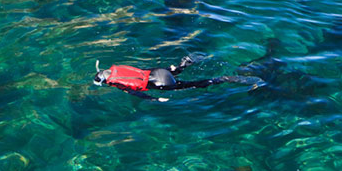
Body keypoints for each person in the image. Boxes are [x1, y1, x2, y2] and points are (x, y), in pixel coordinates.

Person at [92, 55, 259, 101]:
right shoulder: (118, 69)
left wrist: (154, 100)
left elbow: (136, 93)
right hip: (157, 72)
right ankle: (185, 63)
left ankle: (221, 79)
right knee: (175, 73)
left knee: (191, 85)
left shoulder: (118, 84)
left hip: (161, 83)